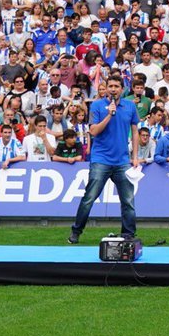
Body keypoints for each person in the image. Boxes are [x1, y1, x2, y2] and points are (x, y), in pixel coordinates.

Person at [68, 75, 138, 244]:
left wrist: (135, 157)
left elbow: (135, 131)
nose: (113, 89)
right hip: (101, 159)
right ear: (106, 89)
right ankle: (76, 231)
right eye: (110, 86)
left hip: (122, 161)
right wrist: (109, 115)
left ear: (122, 89)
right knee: (89, 198)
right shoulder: (97, 106)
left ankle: (128, 234)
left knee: (128, 201)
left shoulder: (130, 106)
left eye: (116, 86)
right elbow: (93, 131)